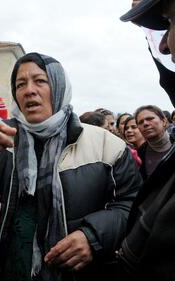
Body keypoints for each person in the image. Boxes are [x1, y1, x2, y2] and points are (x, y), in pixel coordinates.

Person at [0, 52, 141, 281]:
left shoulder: (106, 145)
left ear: (59, 86)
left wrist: (93, 237)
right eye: (20, 84)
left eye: (40, 81)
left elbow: (132, 205)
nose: (29, 90)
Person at [119, 0, 175, 280]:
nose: (164, 45)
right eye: (138, 123)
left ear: (165, 121)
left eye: (172, 21)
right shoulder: (134, 159)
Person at [135, 105, 173, 180]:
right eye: (140, 122)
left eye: (150, 119)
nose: (145, 123)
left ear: (164, 121)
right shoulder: (139, 154)